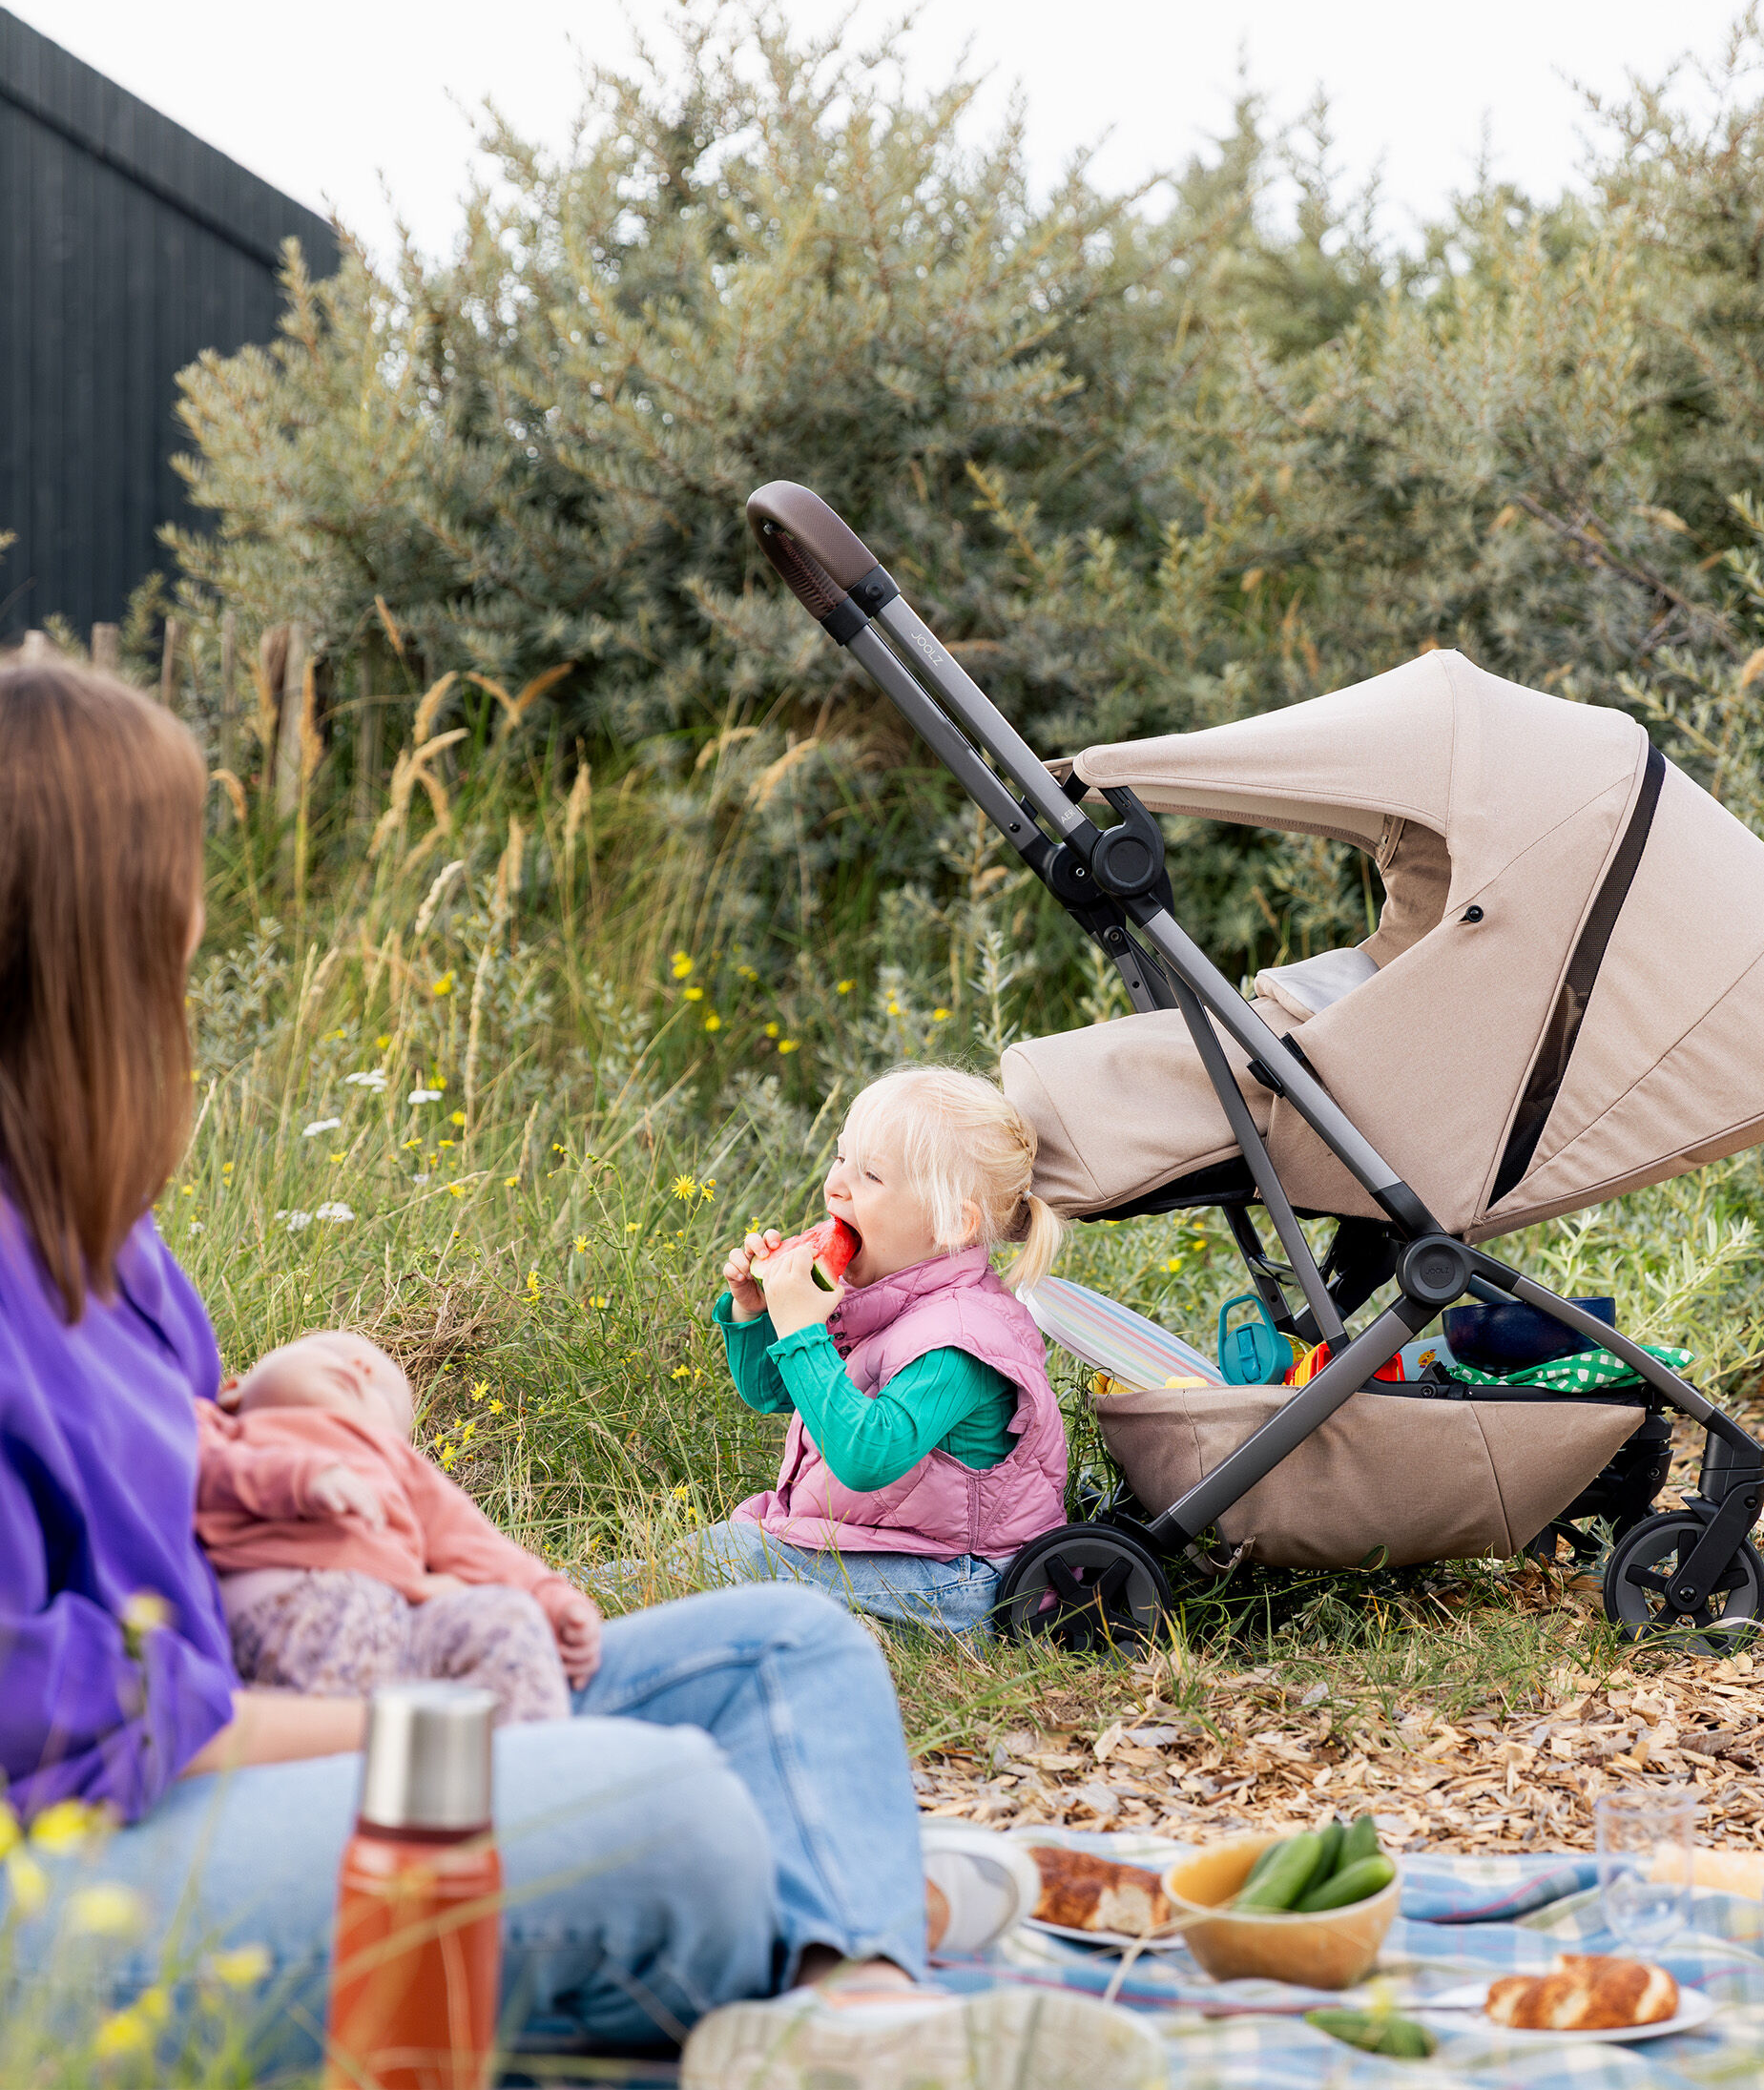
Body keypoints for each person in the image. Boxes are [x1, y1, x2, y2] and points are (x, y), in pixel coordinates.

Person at [0, 661, 1058, 2084]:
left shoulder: (103, 1236)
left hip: (252, 1727)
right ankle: (831, 1908)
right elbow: (48, 1708)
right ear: (100, 934)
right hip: (75, 1865)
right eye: (184, 886)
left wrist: (342, 1441)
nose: (203, 923)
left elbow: (214, 1505)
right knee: (673, 1806)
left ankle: (850, 1992)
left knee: (789, 1652)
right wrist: (421, 1725)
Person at [695, 1067, 1069, 1633]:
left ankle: (579, 1603)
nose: (835, 1185)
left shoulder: (963, 1340)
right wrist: (757, 1310)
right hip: (892, 1545)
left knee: (740, 1561)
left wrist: (802, 1333)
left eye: (869, 1174)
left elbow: (867, 1458)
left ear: (950, 1222)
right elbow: (772, 1390)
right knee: (733, 1549)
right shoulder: (883, 1296)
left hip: (963, 1580)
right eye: (841, 1158)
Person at [195, 1329, 601, 1721]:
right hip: (284, 1611)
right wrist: (297, 1477)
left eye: (384, 1397)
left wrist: (554, 1599)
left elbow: (477, 1545)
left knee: (511, 1617)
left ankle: (532, 1758)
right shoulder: (217, 1426)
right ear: (235, 1389)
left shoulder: (393, 1463)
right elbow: (191, 1467)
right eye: (331, 1354)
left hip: (397, 1629)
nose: (361, 1367)